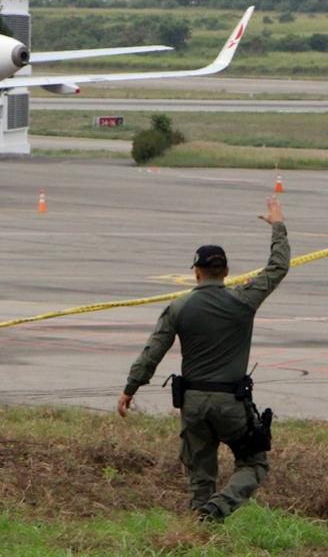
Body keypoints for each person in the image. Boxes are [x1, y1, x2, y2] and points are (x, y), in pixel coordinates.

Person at [117, 197, 290, 523]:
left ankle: (199, 528)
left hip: (193, 404)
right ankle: (217, 508)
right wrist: (278, 225)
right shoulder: (243, 300)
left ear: (196, 273)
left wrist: (130, 388)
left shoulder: (178, 308)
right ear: (226, 272)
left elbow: (152, 351)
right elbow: (278, 266)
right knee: (254, 463)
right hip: (230, 403)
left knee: (200, 474)